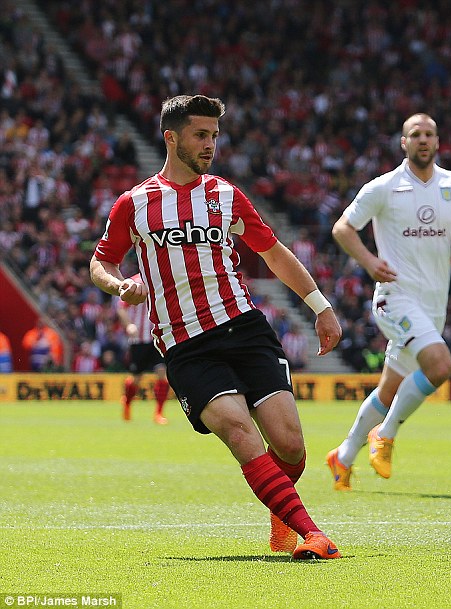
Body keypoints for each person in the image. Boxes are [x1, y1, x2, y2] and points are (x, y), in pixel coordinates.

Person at [89, 94, 342, 560]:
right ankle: (312, 533)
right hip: (186, 345)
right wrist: (118, 284)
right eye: (200, 135)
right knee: (241, 434)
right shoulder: (135, 203)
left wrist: (320, 306)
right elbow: (100, 261)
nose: (210, 144)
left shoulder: (225, 195)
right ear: (171, 138)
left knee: (290, 446)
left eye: (214, 135)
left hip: (244, 328)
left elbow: (273, 252)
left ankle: (281, 515)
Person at [327, 112, 451, 491]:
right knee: (441, 366)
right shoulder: (383, 187)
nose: (423, 140)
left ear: (438, 141)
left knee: (388, 389)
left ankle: (343, 457)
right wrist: (369, 262)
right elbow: (342, 228)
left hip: (433, 305)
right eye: (416, 134)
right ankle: (385, 434)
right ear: (404, 143)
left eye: (429, 134)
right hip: (394, 298)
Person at [117, 296, 171, 424]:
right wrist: (128, 325)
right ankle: (127, 402)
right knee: (136, 378)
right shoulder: (136, 285)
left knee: (162, 373)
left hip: (157, 338)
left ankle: (159, 413)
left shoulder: (160, 285)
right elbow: (121, 308)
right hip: (138, 340)